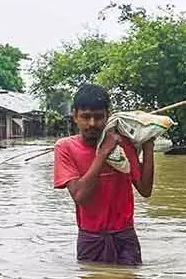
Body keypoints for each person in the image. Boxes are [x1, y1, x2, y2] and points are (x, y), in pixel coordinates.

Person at [53, 83, 155, 266]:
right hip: (91, 238)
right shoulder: (65, 147)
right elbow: (80, 196)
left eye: (99, 117)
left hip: (125, 238)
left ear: (108, 117)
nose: (92, 124)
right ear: (75, 116)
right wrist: (102, 154)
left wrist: (148, 146)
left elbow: (145, 190)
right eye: (85, 117)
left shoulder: (123, 144)